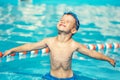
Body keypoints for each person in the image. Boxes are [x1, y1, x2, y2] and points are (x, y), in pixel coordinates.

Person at [3, 12, 115, 80]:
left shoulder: (74, 45)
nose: (62, 22)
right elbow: (31, 46)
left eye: (67, 21)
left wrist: (108, 58)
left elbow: (91, 53)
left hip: (69, 78)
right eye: (61, 20)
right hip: (50, 77)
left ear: (73, 30)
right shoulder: (49, 41)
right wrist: (13, 49)